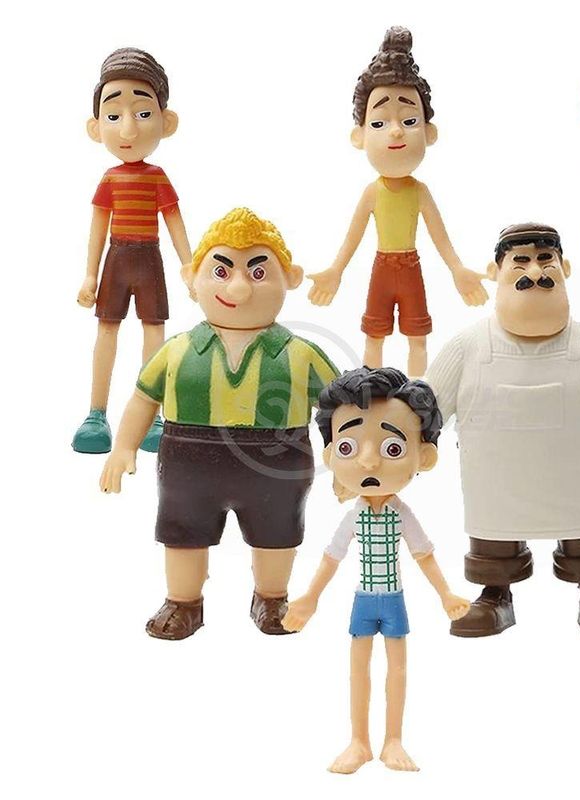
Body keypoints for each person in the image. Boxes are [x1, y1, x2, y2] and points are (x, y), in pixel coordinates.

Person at [426, 223, 580, 640]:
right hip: (495, 482)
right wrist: (416, 448)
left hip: (579, 477)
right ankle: (494, 593)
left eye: (546, 260)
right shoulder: (468, 347)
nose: (535, 271)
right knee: (493, 537)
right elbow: (426, 407)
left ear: (565, 269)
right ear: (495, 271)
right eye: (520, 261)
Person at [100, 208, 339, 640]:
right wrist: (123, 447)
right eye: (222, 270)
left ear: (290, 278)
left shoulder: (301, 354)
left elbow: (339, 409)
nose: (239, 287)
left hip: (277, 461)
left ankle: (271, 597)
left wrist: (343, 458)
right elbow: (143, 397)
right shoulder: (177, 350)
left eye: (258, 272)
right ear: (192, 278)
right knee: (183, 534)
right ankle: (183, 601)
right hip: (188, 461)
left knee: (276, 534)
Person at [282, 367, 469, 773]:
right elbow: (331, 558)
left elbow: (424, 555)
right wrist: (310, 597)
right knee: (358, 668)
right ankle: (359, 741)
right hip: (364, 601)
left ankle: (393, 740)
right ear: (330, 455)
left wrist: (446, 594)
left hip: (395, 601)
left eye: (393, 448)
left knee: (397, 668)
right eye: (348, 447)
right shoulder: (354, 516)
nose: (368, 461)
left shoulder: (402, 515)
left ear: (425, 457)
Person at [306, 26, 487, 377]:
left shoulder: (419, 191)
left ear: (429, 133)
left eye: (409, 120)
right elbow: (353, 237)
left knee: (417, 339)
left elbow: (440, 236)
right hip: (382, 269)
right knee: (374, 336)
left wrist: (458, 269)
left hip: (410, 269)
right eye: (378, 123)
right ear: (359, 136)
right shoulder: (372, 192)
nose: (395, 131)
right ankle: (371, 389)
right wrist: (335, 271)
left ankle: (417, 389)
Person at [73, 47, 193, 454]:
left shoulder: (158, 178)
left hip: (149, 260)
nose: (127, 129)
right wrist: (90, 275)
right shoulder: (110, 179)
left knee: (154, 331)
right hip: (117, 260)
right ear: (96, 127)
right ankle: (96, 413)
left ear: (166, 121)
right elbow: (97, 227)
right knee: (107, 329)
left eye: (143, 113)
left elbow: (174, 222)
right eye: (113, 116)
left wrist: (190, 266)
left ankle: (151, 416)